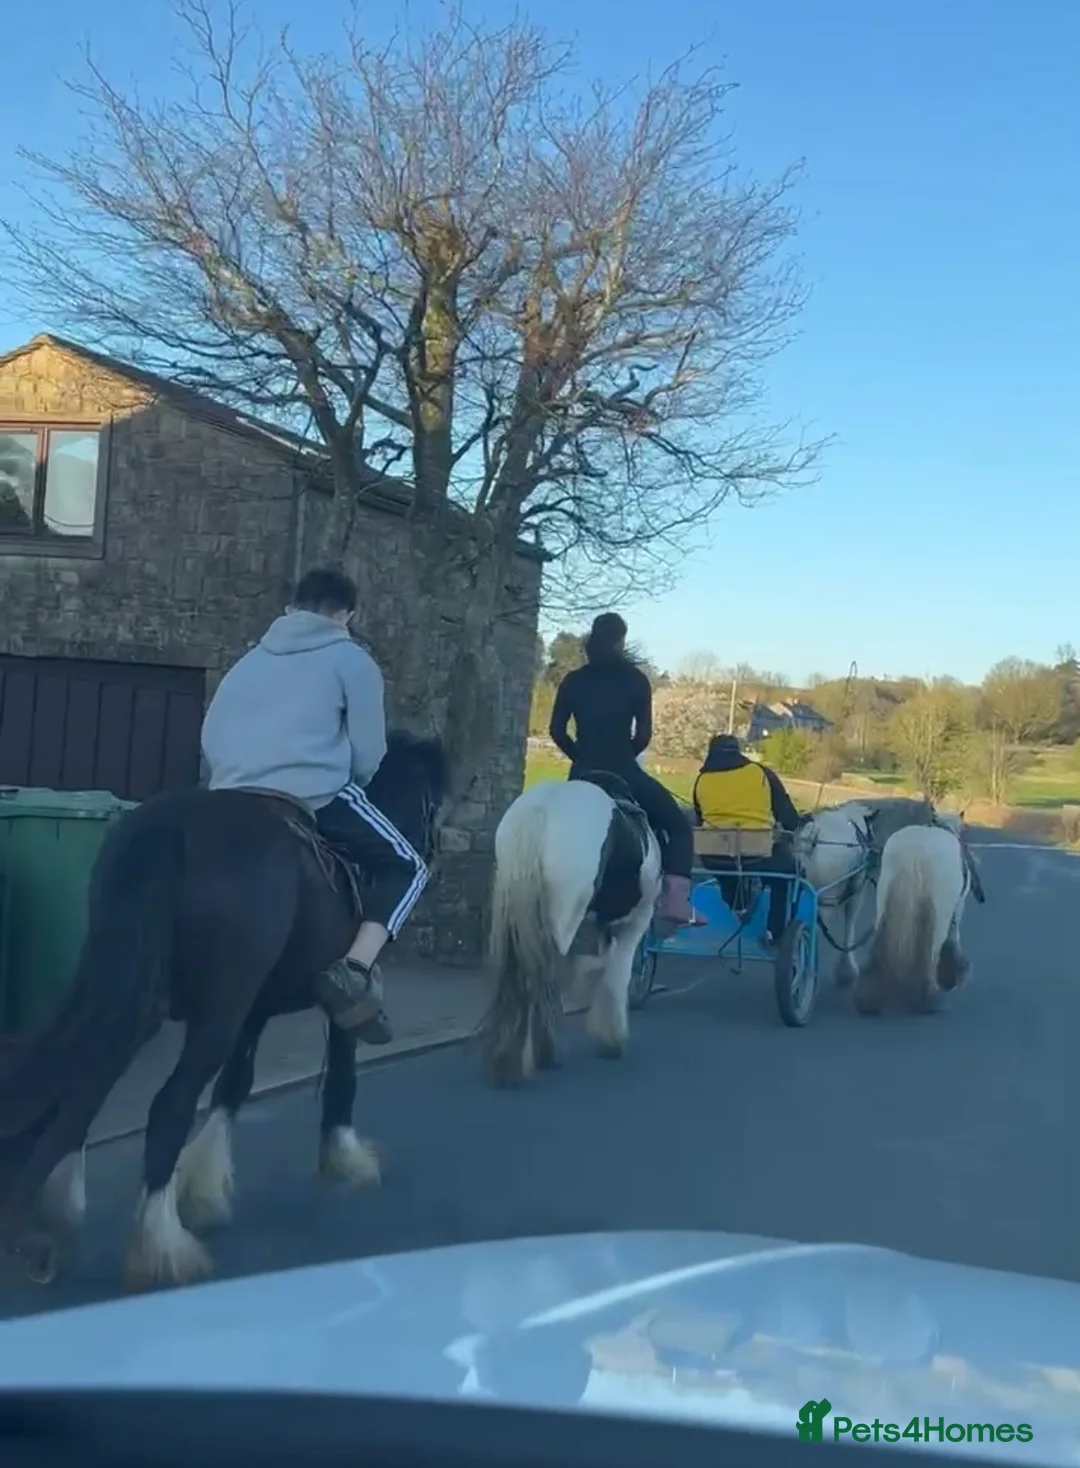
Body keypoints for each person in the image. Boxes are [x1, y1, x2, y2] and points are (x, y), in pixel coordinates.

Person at [200, 565, 429, 1043]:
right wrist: (354, 779)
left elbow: (211, 733)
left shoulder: (249, 660)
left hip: (227, 796)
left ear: (293, 606)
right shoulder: (352, 660)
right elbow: (370, 751)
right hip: (313, 793)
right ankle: (353, 969)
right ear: (345, 613)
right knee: (409, 866)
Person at [548, 612, 697, 926]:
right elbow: (643, 736)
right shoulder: (635, 680)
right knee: (680, 827)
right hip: (623, 771)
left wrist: (581, 757)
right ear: (619, 641)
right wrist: (622, 758)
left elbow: (557, 731)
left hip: (582, 774)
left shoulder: (573, 680)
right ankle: (675, 900)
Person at [692, 733, 804, 943]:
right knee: (789, 875)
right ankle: (776, 932)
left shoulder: (701, 780)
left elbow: (700, 818)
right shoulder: (761, 773)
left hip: (713, 853)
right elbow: (789, 818)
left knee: (726, 867)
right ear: (738, 751)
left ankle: (738, 905)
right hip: (756, 850)